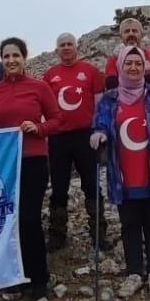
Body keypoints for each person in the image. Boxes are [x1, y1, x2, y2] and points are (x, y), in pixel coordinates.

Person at [91, 46, 150, 300]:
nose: (133, 67)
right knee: (129, 225)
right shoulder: (110, 99)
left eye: (138, 63)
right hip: (124, 174)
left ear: (145, 67)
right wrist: (98, 133)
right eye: (128, 63)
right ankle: (134, 271)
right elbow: (99, 122)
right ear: (120, 66)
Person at [0, 37, 63, 301]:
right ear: (1, 60)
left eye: (16, 55)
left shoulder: (39, 88)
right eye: (6, 57)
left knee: (29, 219)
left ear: (24, 58)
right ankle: (16, 275)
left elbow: (58, 118)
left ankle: (39, 278)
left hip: (33, 160)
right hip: (3, 166)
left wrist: (38, 129)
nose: (11, 61)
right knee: (8, 221)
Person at [42, 32, 108, 252]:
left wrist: (99, 129)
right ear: (57, 49)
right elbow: (44, 108)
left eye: (70, 44)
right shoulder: (50, 75)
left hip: (85, 136)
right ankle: (57, 234)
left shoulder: (91, 72)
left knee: (91, 184)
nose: (66, 47)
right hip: (58, 137)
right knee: (59, 187)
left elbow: (100, 105)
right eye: (62, 45)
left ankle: (99, 232)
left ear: (76, 47)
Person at [104, 18, 150, 89]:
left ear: (142, 35)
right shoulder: (114, 59)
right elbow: (111, 84)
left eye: (134, 31)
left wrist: (125, 80)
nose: (131, 34)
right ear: (121, 36)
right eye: (127, 31)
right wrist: (147, 77)